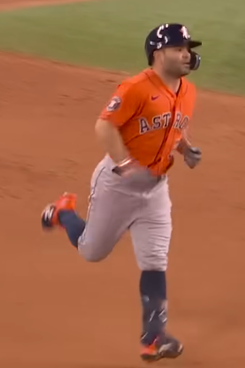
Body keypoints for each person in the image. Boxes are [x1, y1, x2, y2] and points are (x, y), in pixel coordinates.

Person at [41, 23, 203, 362]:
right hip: (117, 184)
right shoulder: (135, 88)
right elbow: (105, 125)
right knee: (91, 252)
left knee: (155, 260)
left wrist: (185, 148)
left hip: (157, 188)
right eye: (179, 48)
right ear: (158, 55)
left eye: (188, 47)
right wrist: (127, 165)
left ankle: (154, 337)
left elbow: (175, 126)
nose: (187, 53)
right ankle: (64, 212)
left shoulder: (188, 91)